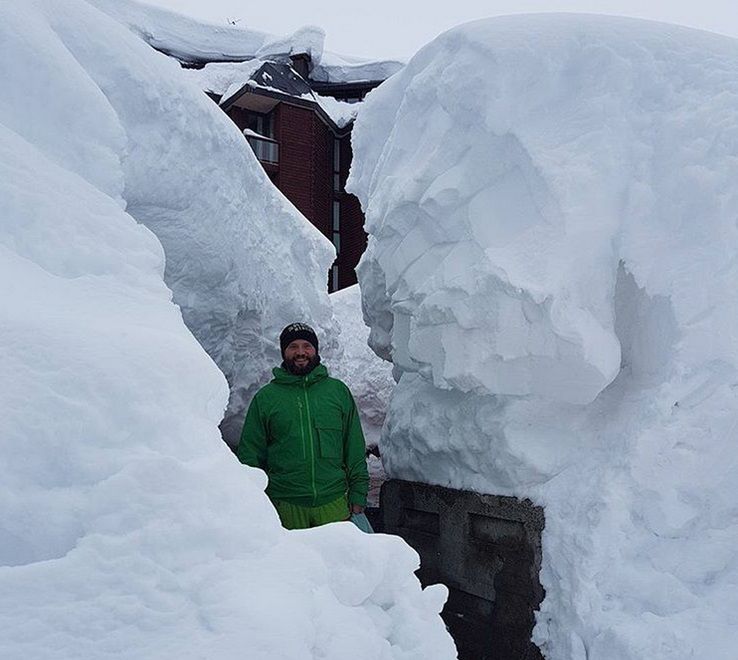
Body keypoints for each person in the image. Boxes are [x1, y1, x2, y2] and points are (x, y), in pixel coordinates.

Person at [237, 322, 369, 530]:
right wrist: (256, 502)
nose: (300, 352)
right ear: (283, 352)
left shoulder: (337, 392)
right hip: (285, 505)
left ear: (315, 350)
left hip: (333, 502)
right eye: (293, 347)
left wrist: (359, 492)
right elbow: (250, 455)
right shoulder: (266, 398)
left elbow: (354, 447)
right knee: (292, 563)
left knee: (339, 561)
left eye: (306, 345)